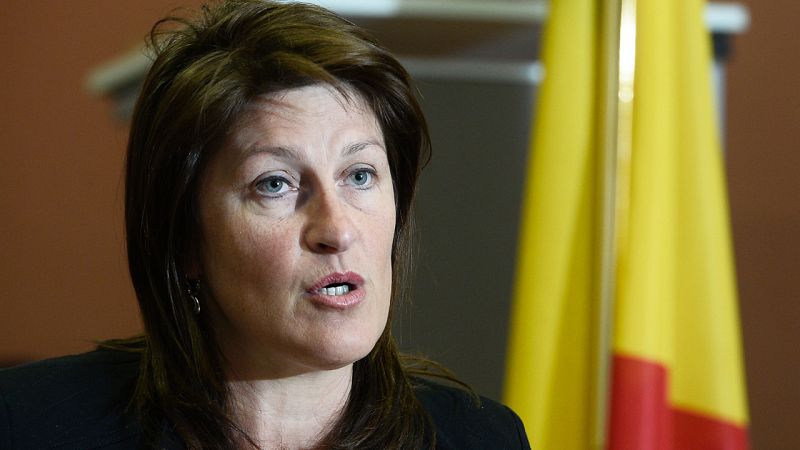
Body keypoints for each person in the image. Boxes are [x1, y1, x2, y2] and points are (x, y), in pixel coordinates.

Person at [0, 1, 531, 448]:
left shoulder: (481, 437)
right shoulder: (29, 424)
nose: (338, 230)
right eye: (275, 184)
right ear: (184, 238)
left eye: (360, 174)